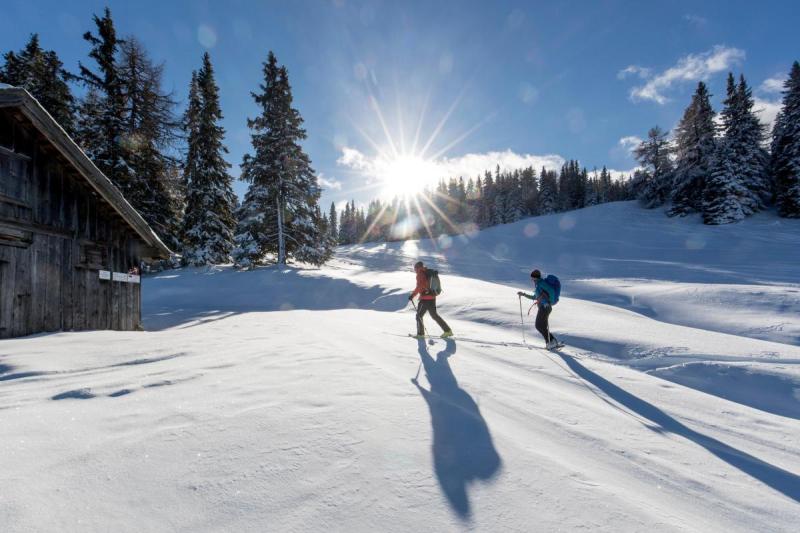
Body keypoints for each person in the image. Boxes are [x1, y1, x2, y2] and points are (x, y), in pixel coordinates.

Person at [409, 261, 453, 339]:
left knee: (419, 316)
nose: (414, 269)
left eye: (415, 268)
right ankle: (448, 331)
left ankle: (420, 334)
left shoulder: (420, 274)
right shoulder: (428, 272)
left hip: (425, 299)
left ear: (418, 267)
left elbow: (419, 286)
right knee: (434, 315)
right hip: (432, 297)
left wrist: (412, 295)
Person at [517, 269, 560, 349]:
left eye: (532, 278)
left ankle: (552, 341)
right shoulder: (538, 285)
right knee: (542, 326)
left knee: (538, 326)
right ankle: (551, 342)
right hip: (543, 307)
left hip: (545, 307)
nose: (532, 279)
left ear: (536, 277)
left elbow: (551, 291)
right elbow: (535, 297)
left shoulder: (541, 283)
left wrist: (548, 302)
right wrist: (523, 294)